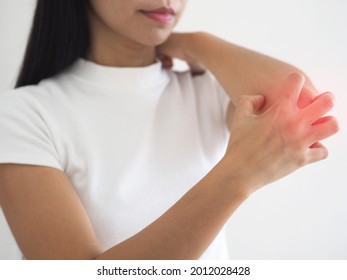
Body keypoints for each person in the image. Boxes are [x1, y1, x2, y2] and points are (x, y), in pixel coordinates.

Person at [0, 0, 339, 260]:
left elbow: (305, 108)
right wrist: (240, 174)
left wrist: (196, 44)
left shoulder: (205, 87)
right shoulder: (24, 115)